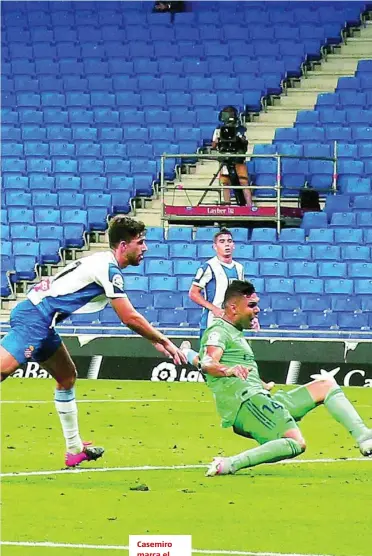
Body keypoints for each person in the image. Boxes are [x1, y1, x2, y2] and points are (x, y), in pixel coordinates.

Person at [0, 216, 187, 467]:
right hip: (35, 316)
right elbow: (129, 317)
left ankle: (75, 448)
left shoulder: (103, 263)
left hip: (44, 320)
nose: (145, 248)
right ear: (123, 245)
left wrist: (154, 340)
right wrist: (165, 340)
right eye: (140, 243)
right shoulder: (108, 268)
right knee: (3, 370)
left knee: (66, 377)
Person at [196, 279, 372, 476]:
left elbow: (216, 363)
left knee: (326, 385)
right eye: (252, 305)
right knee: (296, 442)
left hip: (260, 399)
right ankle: (228, 464)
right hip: (246, 404)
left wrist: (262, 384)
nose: (258, 310)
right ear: (233, 308)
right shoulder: (219, 331)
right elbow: (208, 363)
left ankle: (365, 437)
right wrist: (228, 370)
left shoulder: (234, 333)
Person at [212, 106, 252, 207]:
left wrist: (240, 140)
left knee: (243, 182)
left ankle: (250, 206)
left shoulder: (240, 129)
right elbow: (213, 145)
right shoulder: (218, 130)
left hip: (238, 159)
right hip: (225, 159)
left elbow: (244, 143)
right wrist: (217, 142)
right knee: (225, 183)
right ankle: (227, 205)